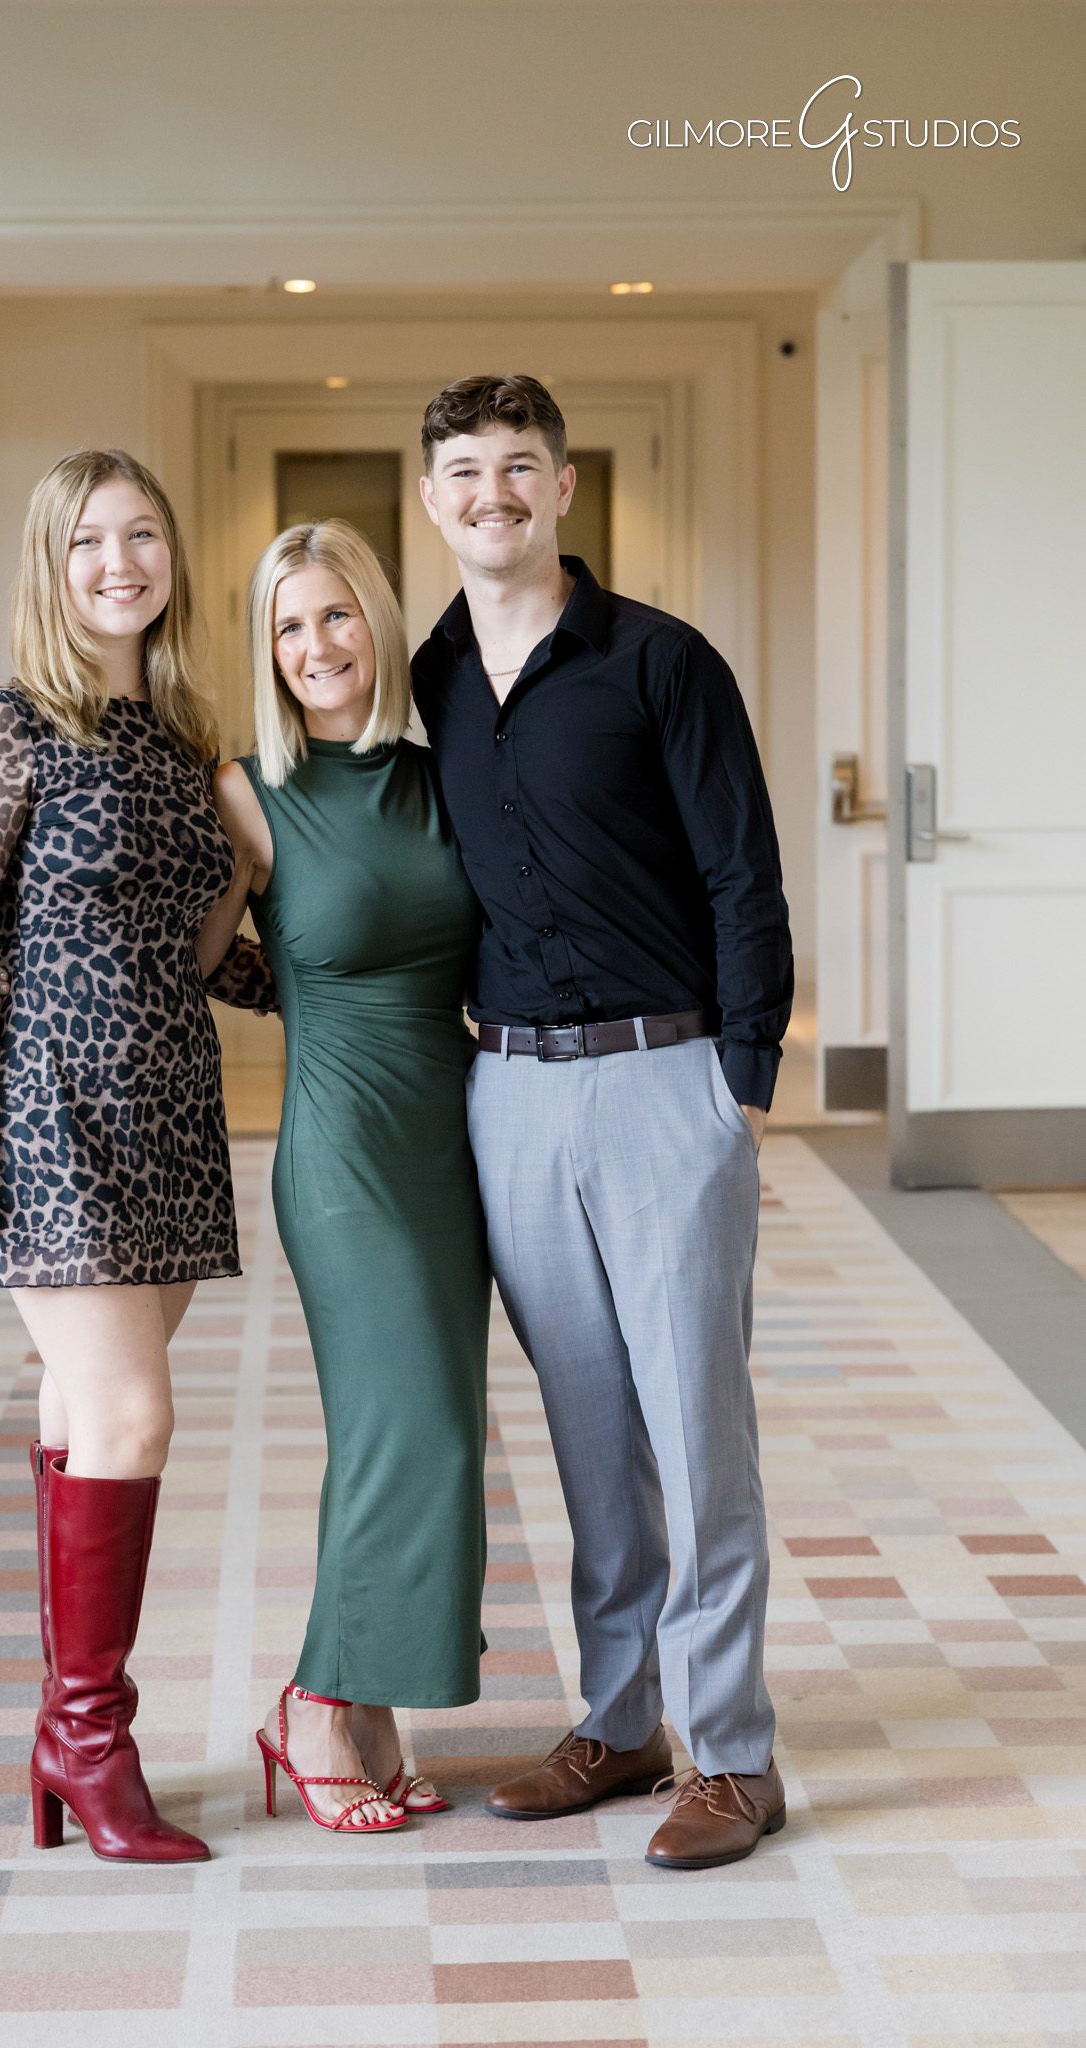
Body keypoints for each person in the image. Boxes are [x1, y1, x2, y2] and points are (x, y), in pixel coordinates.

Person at [412, 375, 793, 1870]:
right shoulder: (427, 675)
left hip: (661, 1079)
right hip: (504, 1088)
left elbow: (740, 876)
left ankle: (735, 1753)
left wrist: (734, 1085)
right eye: (462, 469)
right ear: (431, 495)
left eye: (518, 465)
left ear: (563, 487)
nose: (490, 491)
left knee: (696, 1431)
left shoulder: (658, 661)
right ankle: (622, 1717)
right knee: (584, 1435)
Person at [0, 448, 269, 1866]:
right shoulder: (7, 727)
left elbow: (193, 955)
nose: (119, 562)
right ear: (48, 568)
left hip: (173, 1113)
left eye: (141, 536)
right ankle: (87, 1738)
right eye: (87, 543)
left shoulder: (185, 741)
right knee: (132, 1420)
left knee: (85, 1414)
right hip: (49, 1114)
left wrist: (278, 904)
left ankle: (67, 1740)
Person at [205, 519, 491, 1833]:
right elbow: (198, 957)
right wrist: (313, 997)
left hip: (454, 1139)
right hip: (345, 1151)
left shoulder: (447, 778)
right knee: (408, 1426)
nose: (314, 645)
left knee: (430, 1431)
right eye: (286, 624)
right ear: (266, 649)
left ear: (375, 622)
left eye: (334, 616)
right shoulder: (248, 792)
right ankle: (318, 1703)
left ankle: (370, 1704)